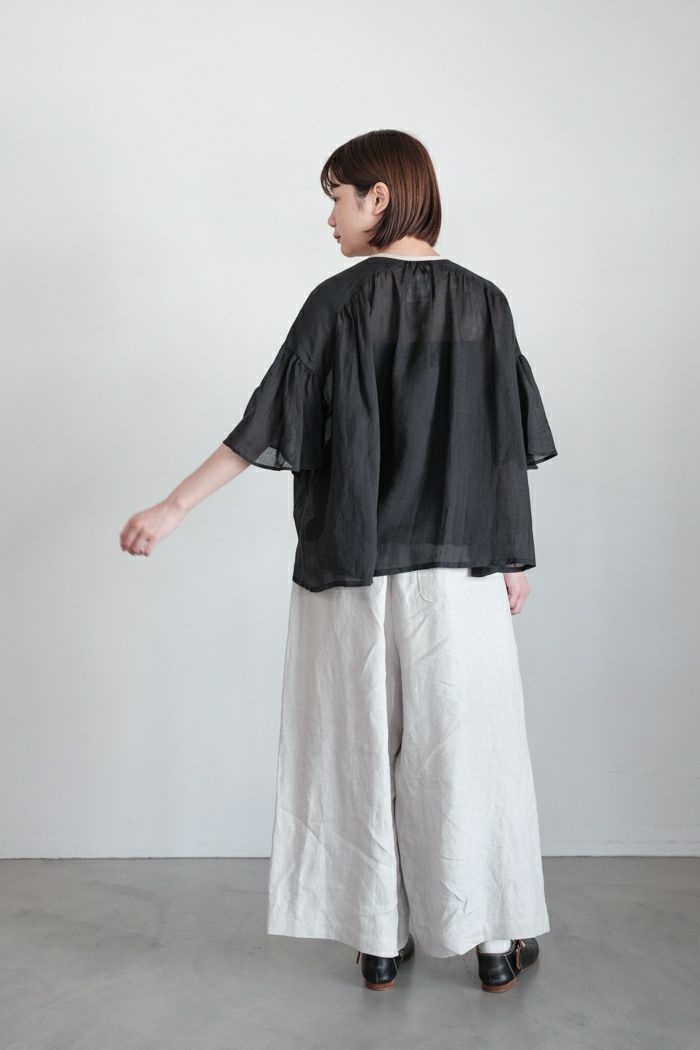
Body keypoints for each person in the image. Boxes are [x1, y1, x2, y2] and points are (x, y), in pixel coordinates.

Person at [119, 129, 558, 994]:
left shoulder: (338, 301)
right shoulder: (486, 303)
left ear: (378, 198)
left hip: (352, 565)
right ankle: (494, 942)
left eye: (336, 198)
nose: (329, 219)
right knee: (469, 755)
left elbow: (265, 421)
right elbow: (503, 445)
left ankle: (378, 942)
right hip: (460, 570)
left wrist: (174, 506)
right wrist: (512, 556)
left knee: (354, 751)